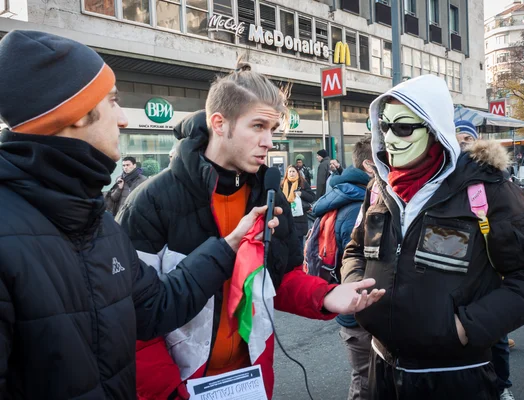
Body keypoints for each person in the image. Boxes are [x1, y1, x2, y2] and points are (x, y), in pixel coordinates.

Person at [0, 30, 285, 399]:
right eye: (113, 101)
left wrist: (229, 246)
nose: (121, 118)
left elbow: (155, 308)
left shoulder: (96, 222)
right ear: (73, 114)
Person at [116, 62, 385, 400]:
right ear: (219, 123)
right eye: (258, 126)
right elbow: (130, 317)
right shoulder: (150, 201)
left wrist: (328, 295)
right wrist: (169, 392)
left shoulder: (268, 197)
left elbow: (278, 278)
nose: (269, 142)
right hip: (178, 387)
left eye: (272, 128)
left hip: (252, 381)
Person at [342, 75, 524, 399]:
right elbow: (355, 249)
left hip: (455, 379)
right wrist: (355, 285)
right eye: (384, 126)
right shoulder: (379, 188)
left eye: (402, 127)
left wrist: (466, 327)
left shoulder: (487, 189)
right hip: (381, 373)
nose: (389, 137)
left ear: (433, 128)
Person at [456, 121, 516, 400]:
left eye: (468, 138)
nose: (463, 144)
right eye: (458, 138)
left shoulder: (493, 178)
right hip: (457, 271)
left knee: (497, 337)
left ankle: (502, 385)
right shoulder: (443, 176)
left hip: (489, 267)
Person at [312, 136, 374, 400]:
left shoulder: (344, 195)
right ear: (370, 167)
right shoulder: (356, 209)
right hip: (359, 313)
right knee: (366, 383)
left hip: (353, 309)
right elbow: (360, 262)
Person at [281, 165, 315, 243]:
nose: (291, 173)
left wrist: (302, 193)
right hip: (286, 217)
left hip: (299, 218)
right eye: (290, 171)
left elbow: (312, 197)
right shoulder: (283, 184)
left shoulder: (302, 183)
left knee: (298, 244)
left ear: (297, 173)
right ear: (287, 173)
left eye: (293, 171)